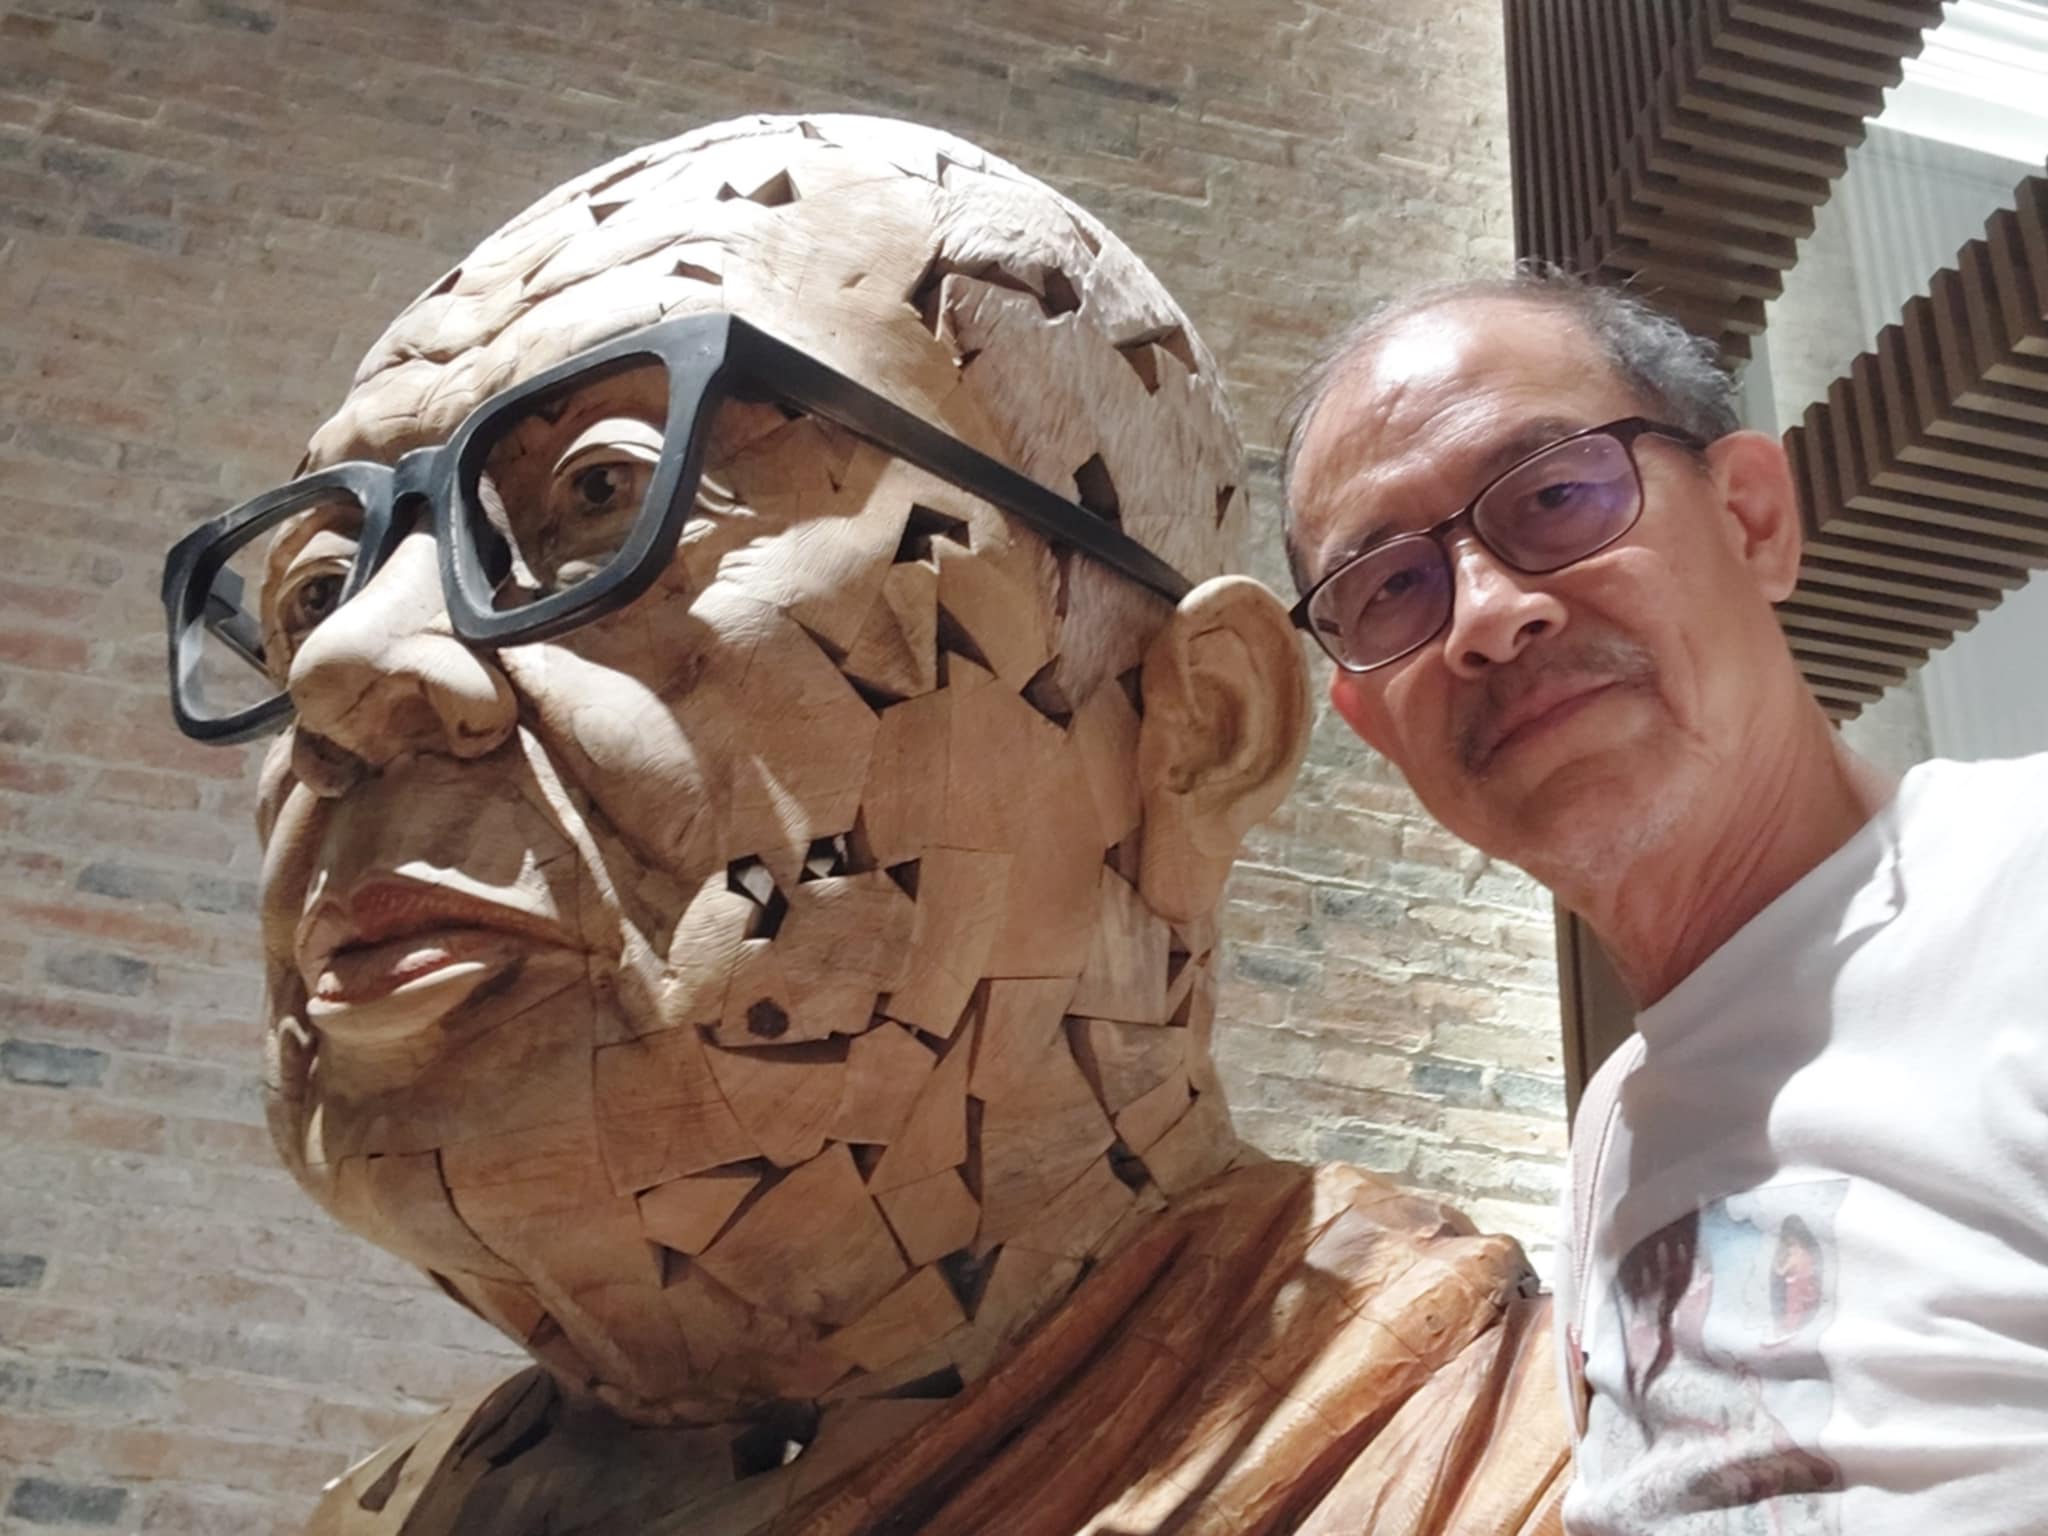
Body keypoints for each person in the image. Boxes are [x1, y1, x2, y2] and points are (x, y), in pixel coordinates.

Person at [160, 116, 1568, 1533]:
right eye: (314, 589)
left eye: (605, 490)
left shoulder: (1541, 1470)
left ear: (1198, 727)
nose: (343, 670)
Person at [1281, 266, 2048, 1534]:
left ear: (1750, 520)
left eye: (1555, 496)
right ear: (1371, 726)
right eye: (1391, 589)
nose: (1486, 616)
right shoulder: (1613, 1145)